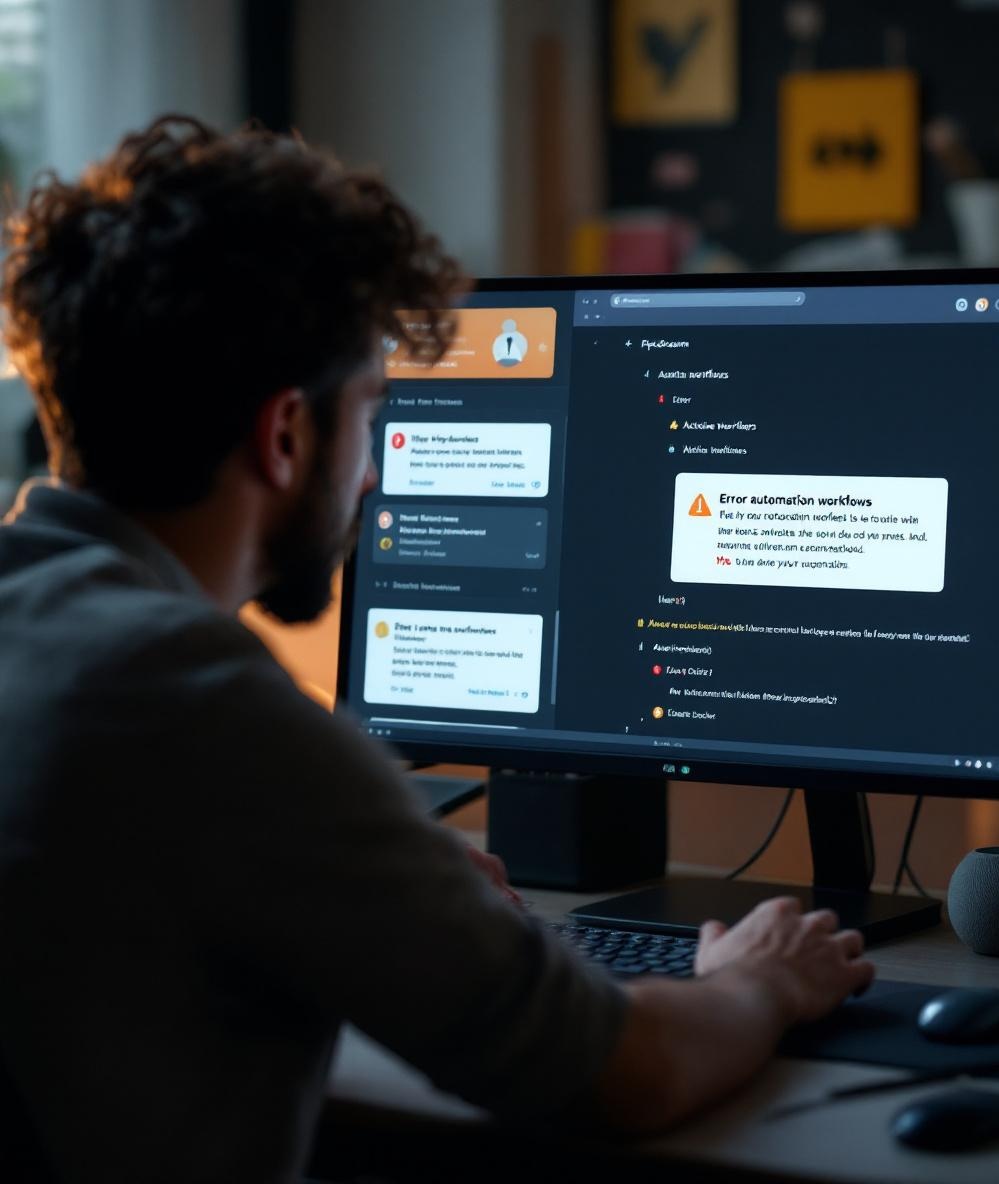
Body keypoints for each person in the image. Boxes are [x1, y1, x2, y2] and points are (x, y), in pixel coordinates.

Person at [0, 116, 873, 1184]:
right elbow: (620, 1073)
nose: (371, 474)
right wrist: (761, 979)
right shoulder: (202, 705)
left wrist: (373, 882)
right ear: (285, 436)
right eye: (370, 410)